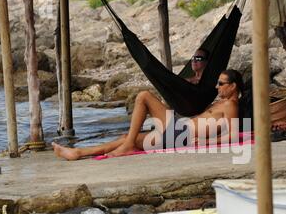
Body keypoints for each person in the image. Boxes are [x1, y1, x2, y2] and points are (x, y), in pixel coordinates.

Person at [52, 69, 244, 160]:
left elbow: (233, 136)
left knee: (144, 96)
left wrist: (205, 143)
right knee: (128, 137)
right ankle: (78, 153)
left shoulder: (231, 105)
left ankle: (126, 146)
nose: (216, 86)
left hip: (182, 133)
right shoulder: (221, 102)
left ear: (233, 86)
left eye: (221, 83)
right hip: (178, 133)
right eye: (217, 82)